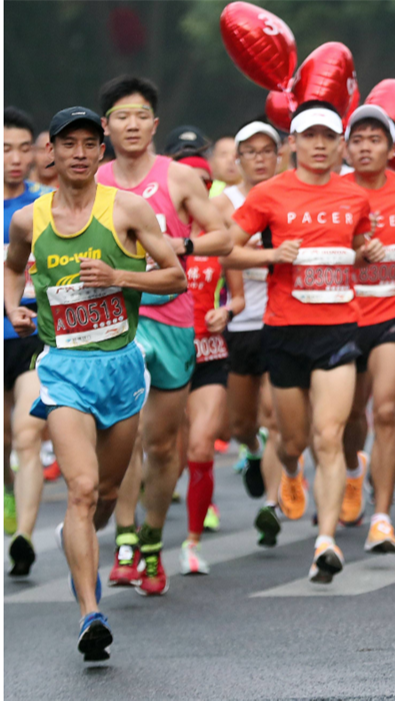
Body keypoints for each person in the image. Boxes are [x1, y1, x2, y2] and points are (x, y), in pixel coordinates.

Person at [4, 106, 186, 660]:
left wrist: (119, 276)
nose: (79, 153)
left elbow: (175, 275)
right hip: (61, 366)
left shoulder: (127, 209)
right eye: (68, 144)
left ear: (101, 152)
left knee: (107, 495)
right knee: (80, 489)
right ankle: (91, 614)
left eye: (89, 143)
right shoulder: (29, 221)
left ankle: (80, 538)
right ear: (50, 154)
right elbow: (13, 266)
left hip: (121, 366)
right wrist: (12, 306)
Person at [226, 100, 378, 583]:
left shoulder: (354, 196)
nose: (318, 145)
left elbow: (358, 251)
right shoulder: (270, 194)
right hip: (284, 329)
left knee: (328, 437)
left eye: (327, 138)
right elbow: (227, 247)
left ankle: (326, 541)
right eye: (309, 136)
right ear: (293, 143)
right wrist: (271, 254)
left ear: (338, 146)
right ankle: (289, 470)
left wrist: (364, 254)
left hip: (337, 329)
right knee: (293, 440)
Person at [96, 75, 231, 596]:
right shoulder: (95, 179)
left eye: (140, 116)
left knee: (161, 443)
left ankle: (152, 540)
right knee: (123, 434)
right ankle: (126, 539)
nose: (131, 125)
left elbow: (223, 234)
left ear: (154, 124)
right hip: (116, 319)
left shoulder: (176, 177)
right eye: (120, 117)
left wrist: (183, 244)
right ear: (105, 126)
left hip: (173, 315)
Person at [341, 105, 395, 553]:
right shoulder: (335, 191)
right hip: (346, 315)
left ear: (391, 148)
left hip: (394, 311)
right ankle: (355, 473)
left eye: (375, 139)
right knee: (351, 416)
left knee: (387, 410)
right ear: (346, 147)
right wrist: (357, 255)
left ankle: (382, 518)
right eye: (358, 139)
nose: (366, 147)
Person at [215, 119, 283, 545]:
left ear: (278, 156)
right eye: (250, 152)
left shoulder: (291, 195)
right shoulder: (224, 203)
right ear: (237, 158)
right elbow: (224, 254)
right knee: (240, 422)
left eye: (266, 151)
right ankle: (252, 453)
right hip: (240, 321)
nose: (259, 159)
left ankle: (271, 506)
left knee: (275, 416)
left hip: (283, 318)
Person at [4, 107, 51, 576]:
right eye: (5, 149)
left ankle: (24, 538)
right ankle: (8, 494)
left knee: (26, 434)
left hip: (32, 334)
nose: (16, 159)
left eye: (24, 148)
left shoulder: (47, 205)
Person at [179, 238, 244, 574]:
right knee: (166, 455)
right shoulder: (151, 229)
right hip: (166, 355)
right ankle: (137, 539)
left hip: (210, 354)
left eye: (204, 181)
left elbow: (239, 298)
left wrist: (227, 311)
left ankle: (192, 543)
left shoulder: (218, 240)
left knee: (202, 446)